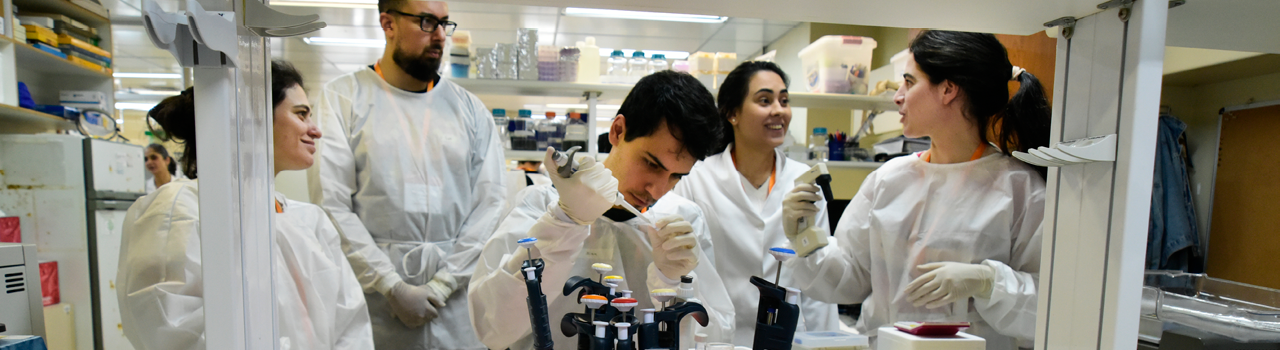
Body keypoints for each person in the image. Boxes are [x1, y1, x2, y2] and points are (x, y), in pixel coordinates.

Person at [782, 30, 1050, 349]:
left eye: (909, 82)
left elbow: (1048, 308)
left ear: (948, 89)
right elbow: (848, 281)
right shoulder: (889, 179)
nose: (898, 96)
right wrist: (805, 239)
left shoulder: (1019, 188)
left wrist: (988, 282)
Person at [469, 71, 736, 350]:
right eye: (652, 164)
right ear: (618, 131)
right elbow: (492, 330)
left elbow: (714, 335)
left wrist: (672, 284)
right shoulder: (539, 205)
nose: (657, 190)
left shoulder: (683, 221)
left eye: (676, 176)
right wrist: (563, 224)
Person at [117, 61, 373, 350]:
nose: (316, 131)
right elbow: (169, 327)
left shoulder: (309, 220)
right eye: (301, 114)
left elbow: (350, 323)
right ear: (252, 117)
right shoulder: (180, 208)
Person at [306, 0, 506, 348]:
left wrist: (443, 283)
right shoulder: (344, 98)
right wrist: (389, 285)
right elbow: (331, 203)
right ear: (388, 24)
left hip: (454, 304)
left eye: (445, 24)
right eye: (427, 22)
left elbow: (489, 204)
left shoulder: (469, 110)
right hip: (377, 304)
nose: (440, 36)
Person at [671, 61, 839, 345]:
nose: (779, 110)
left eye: (784, 100)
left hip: (794, 338)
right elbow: (686, 271)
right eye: (765, 100)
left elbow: (817, 276)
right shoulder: (695, 178)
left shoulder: (806, 182)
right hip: (720, 337)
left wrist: (824, 341)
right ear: (732, 113)